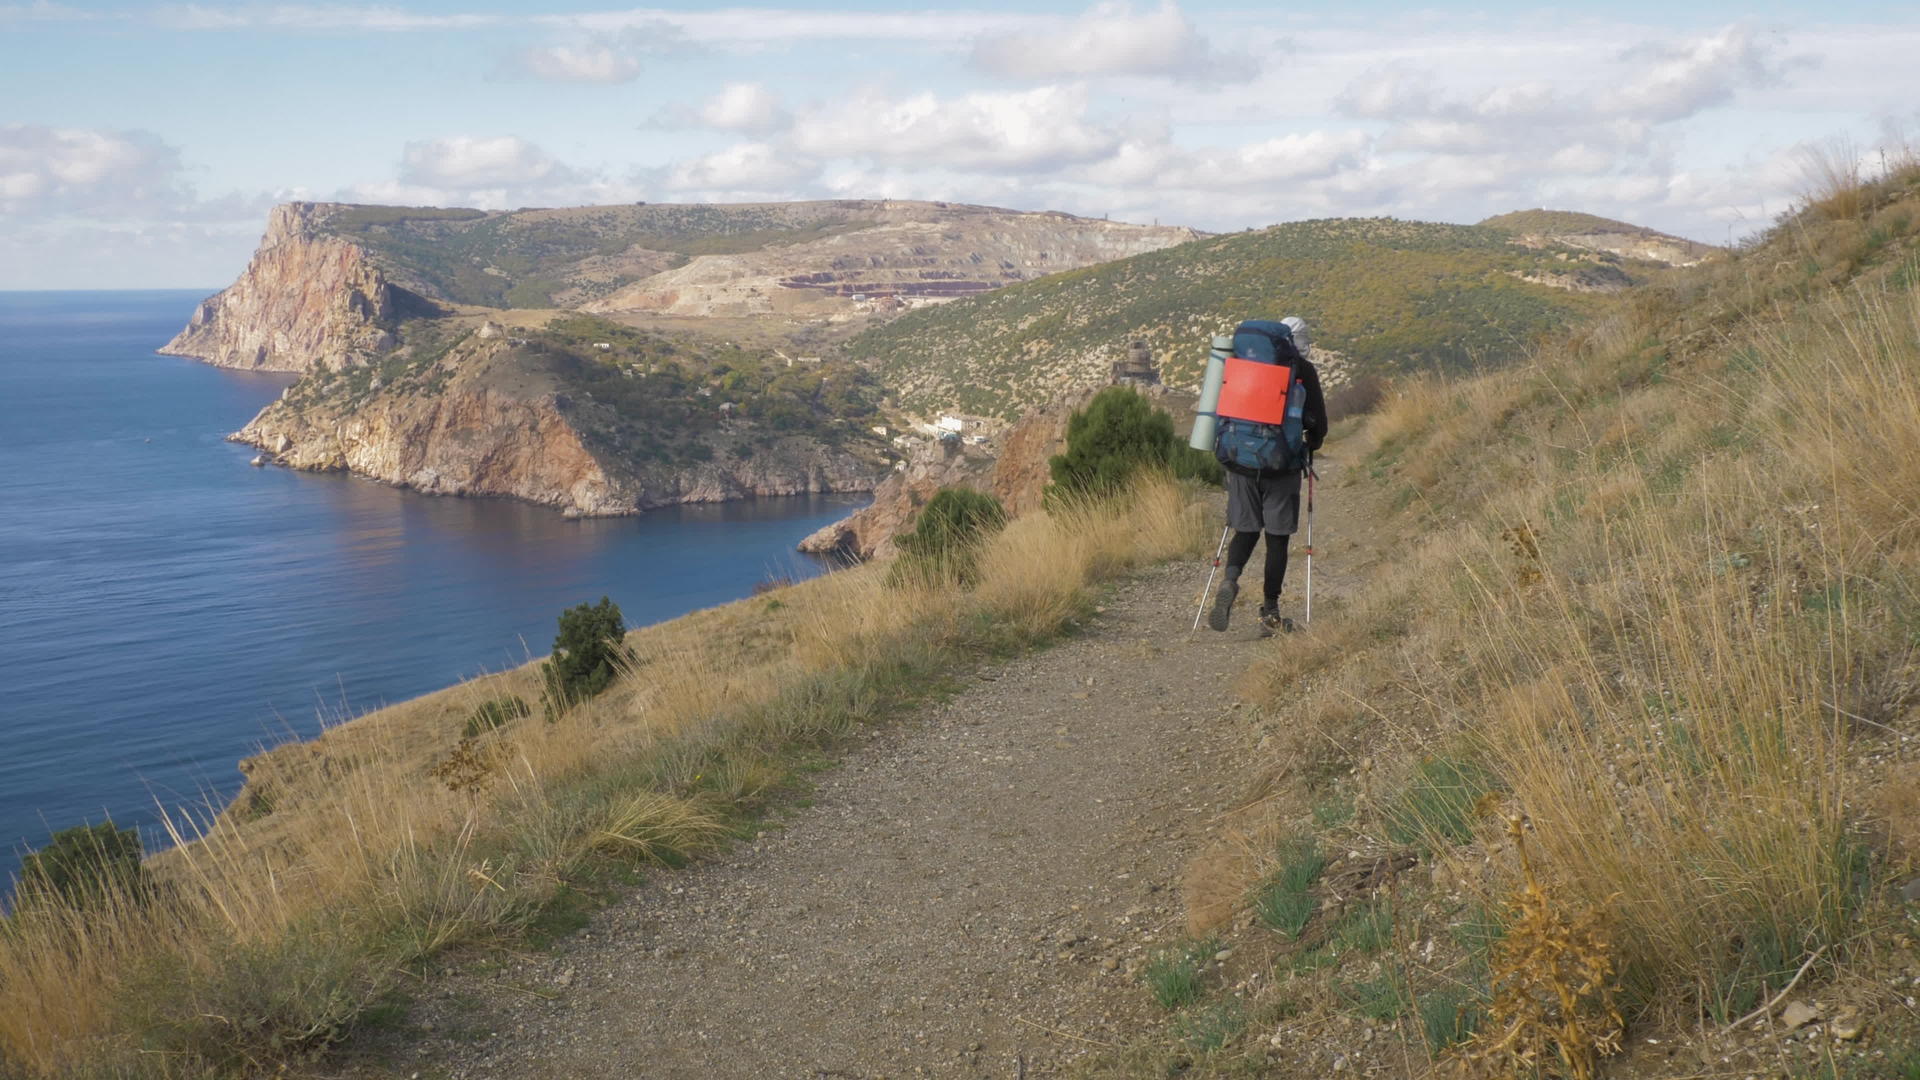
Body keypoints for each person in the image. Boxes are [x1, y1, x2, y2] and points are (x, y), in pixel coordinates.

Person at [1208, 316, 1327, 635]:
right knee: (1277, 540)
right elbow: (1319, 428)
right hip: (1282, 466)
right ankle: (1269, 612)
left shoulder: (1242, 364)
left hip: (1240, 461)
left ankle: (1231, 580)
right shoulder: (1302, 371)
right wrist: (1310, 442)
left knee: (1245, 530)